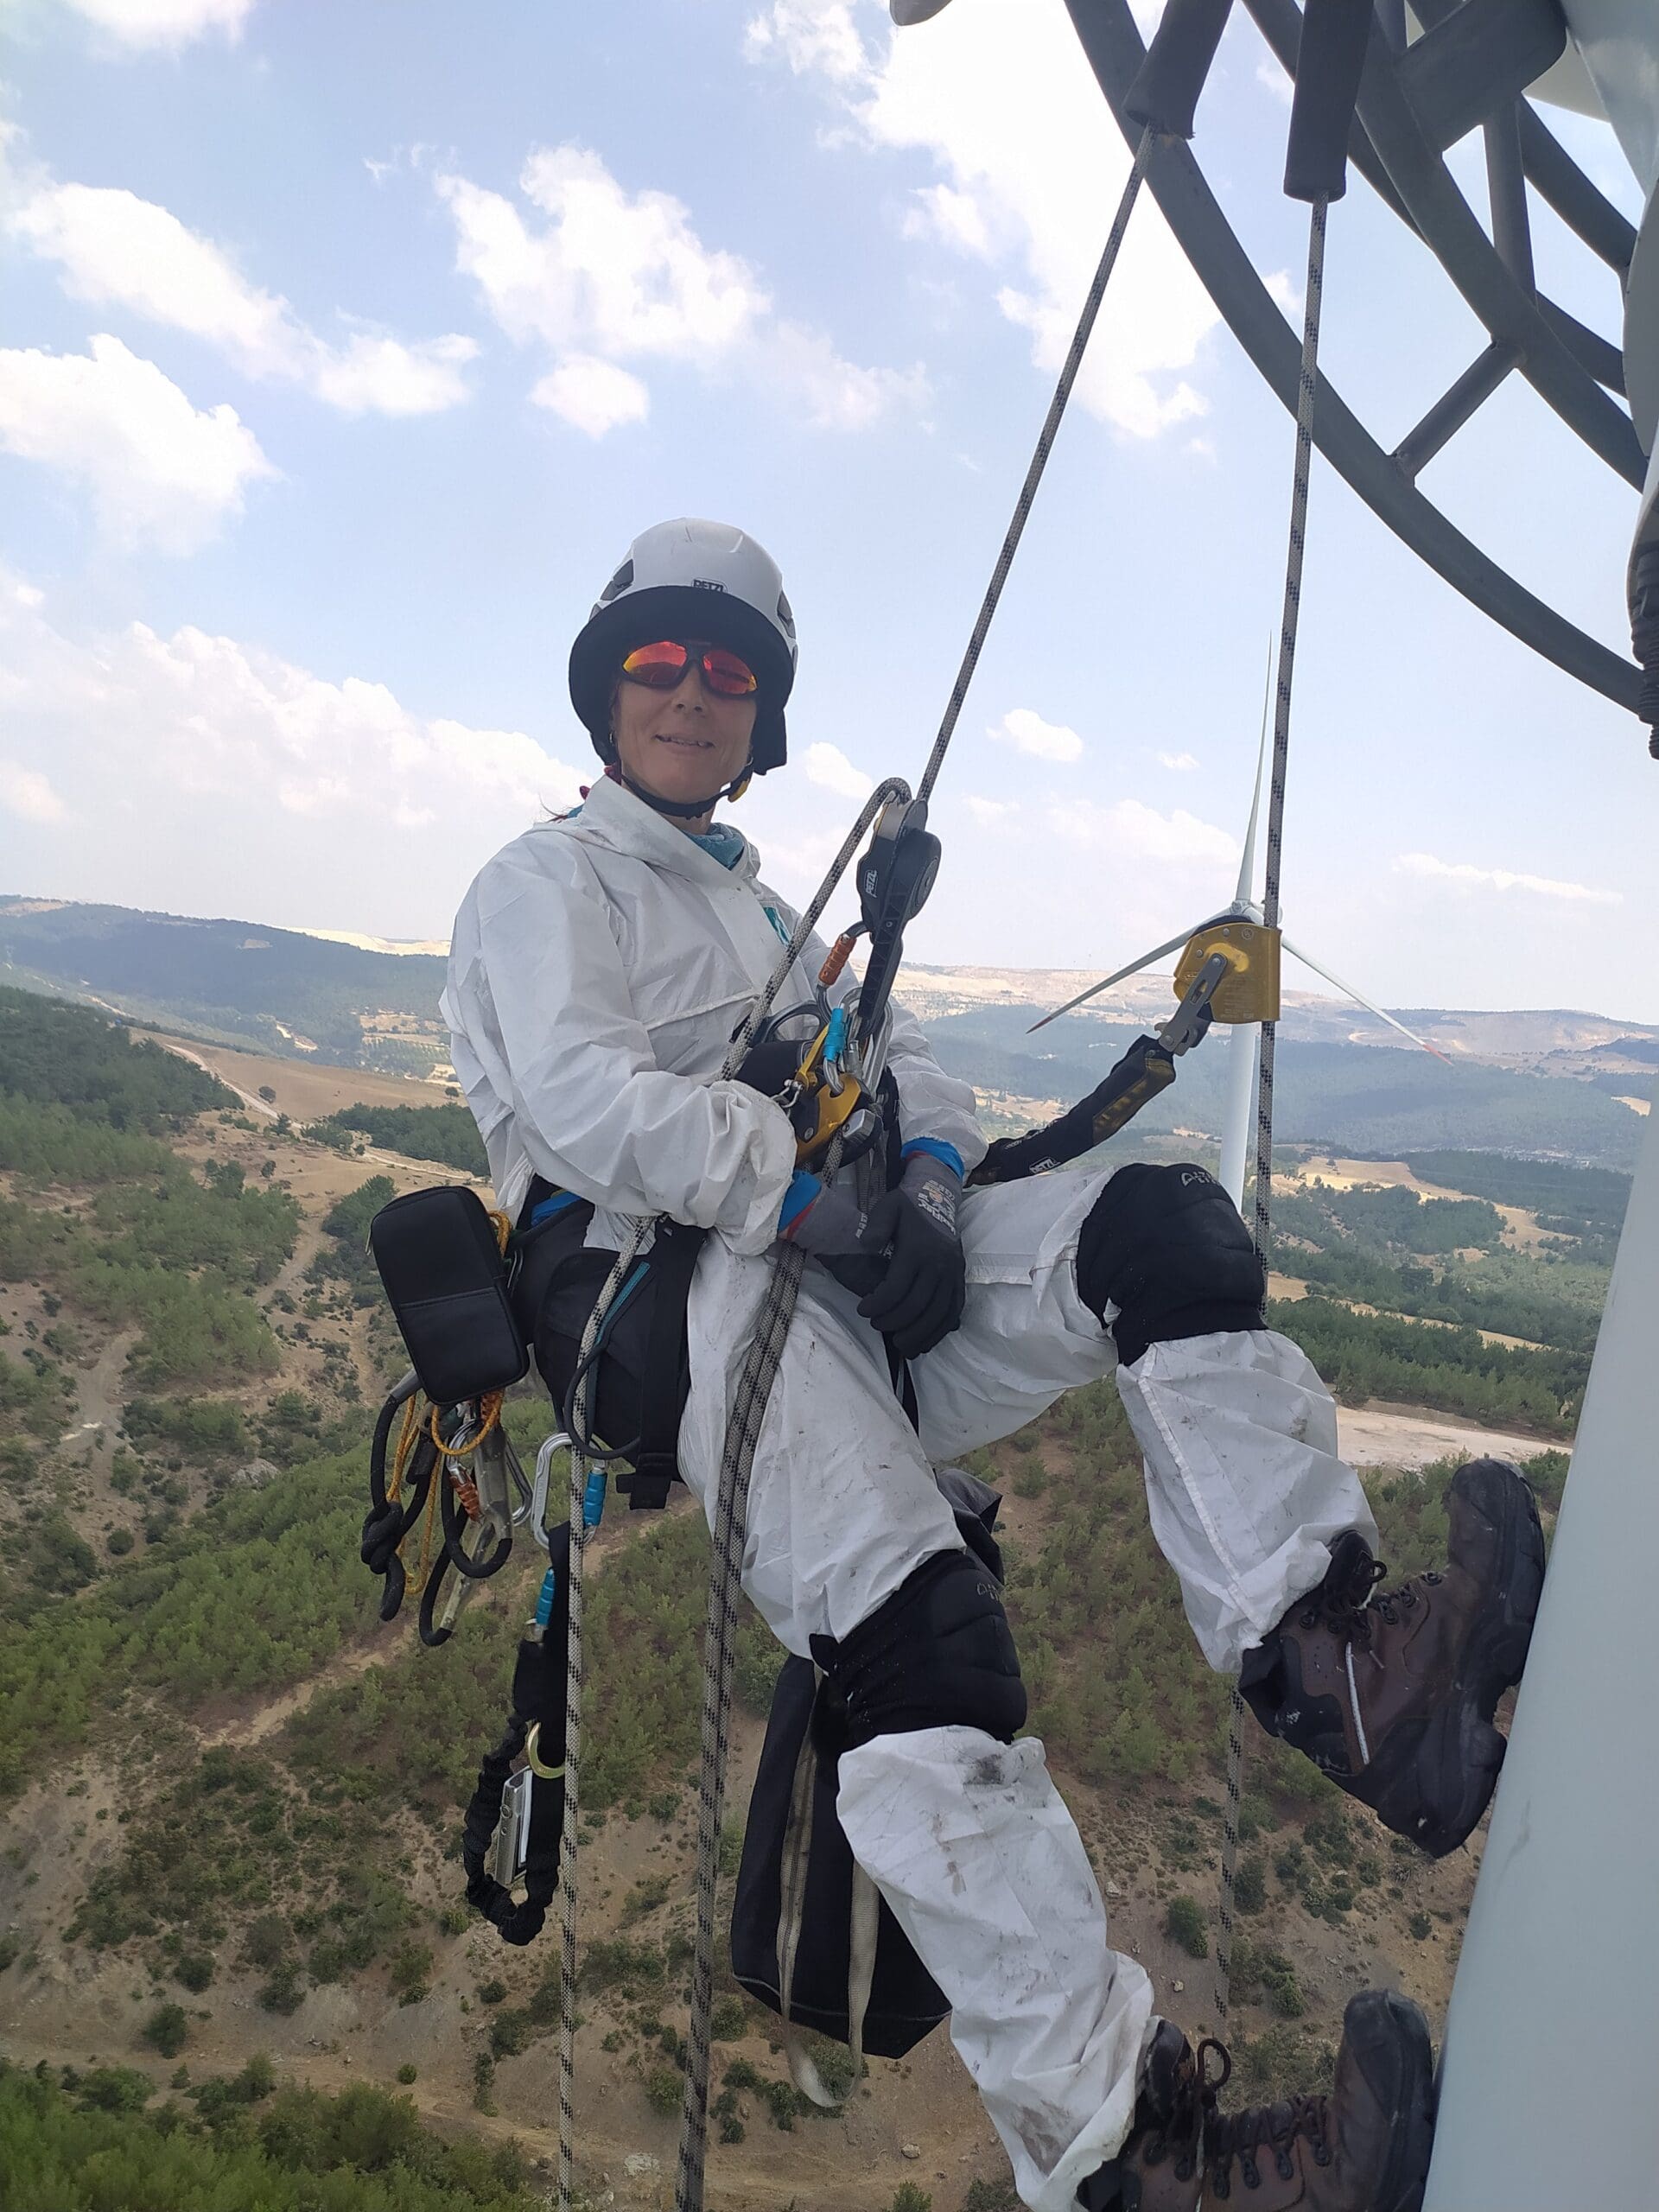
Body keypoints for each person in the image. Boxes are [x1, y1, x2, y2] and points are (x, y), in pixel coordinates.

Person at [443, 518, 1544, 2212]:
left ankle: (1341, 1671)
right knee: (921, 1648)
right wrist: (808, 1197)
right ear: (609, 687)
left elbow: (904, 1069)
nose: (692, 691)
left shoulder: (758, 911)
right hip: (686, 1307)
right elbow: (593, 1106)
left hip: (838, 1274)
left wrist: (937, 1187)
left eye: (727, 670)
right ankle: (1123, 2152)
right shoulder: (546, 888)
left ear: (760, 713)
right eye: (661, 660)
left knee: (1160, 1236)